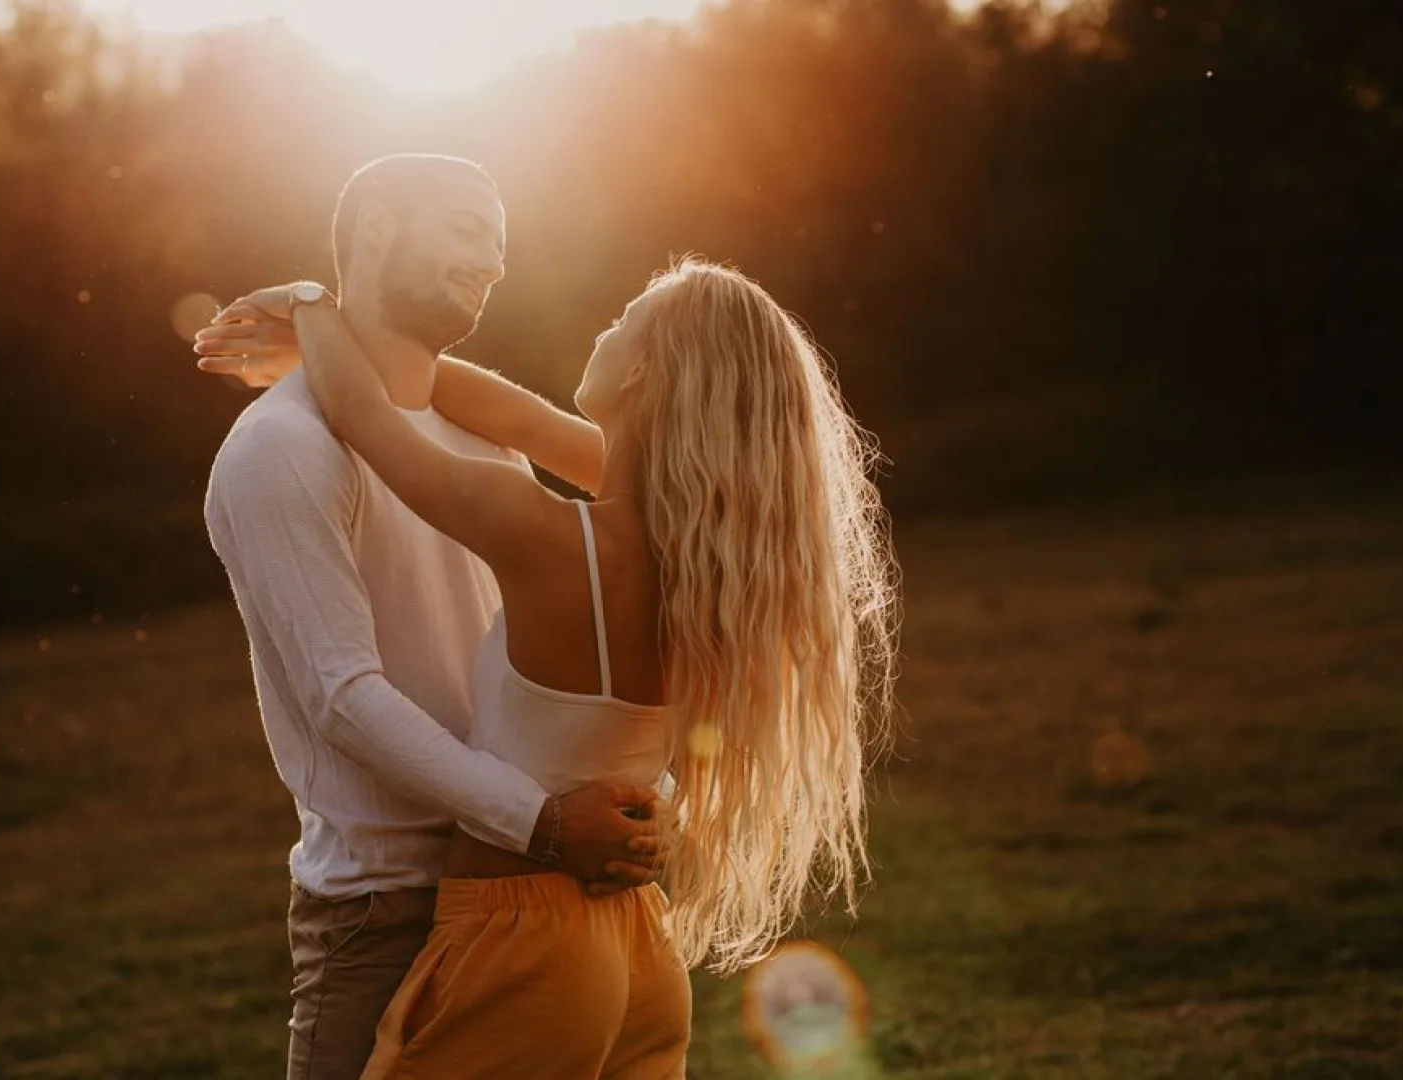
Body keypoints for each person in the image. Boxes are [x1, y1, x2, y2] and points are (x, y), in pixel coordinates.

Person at [198, 243, 901, 1074]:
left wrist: (312, 302)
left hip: (521, 935)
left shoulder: (541, 532)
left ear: (639, 374)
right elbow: (513, 420)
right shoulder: (708, 558)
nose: (603, 330)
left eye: (622, 322)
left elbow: (366, 418)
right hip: (632, 939)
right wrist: (340, 341)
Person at [199, 153, 663, 1080]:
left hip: (540, 894)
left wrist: (308, 307)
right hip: (392, 901)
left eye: (500, 248)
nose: (492, 262)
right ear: (375, 226)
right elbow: (342, 697)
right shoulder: (281, 450)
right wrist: (541, 820)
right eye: (465, 230)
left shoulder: (478, 436)